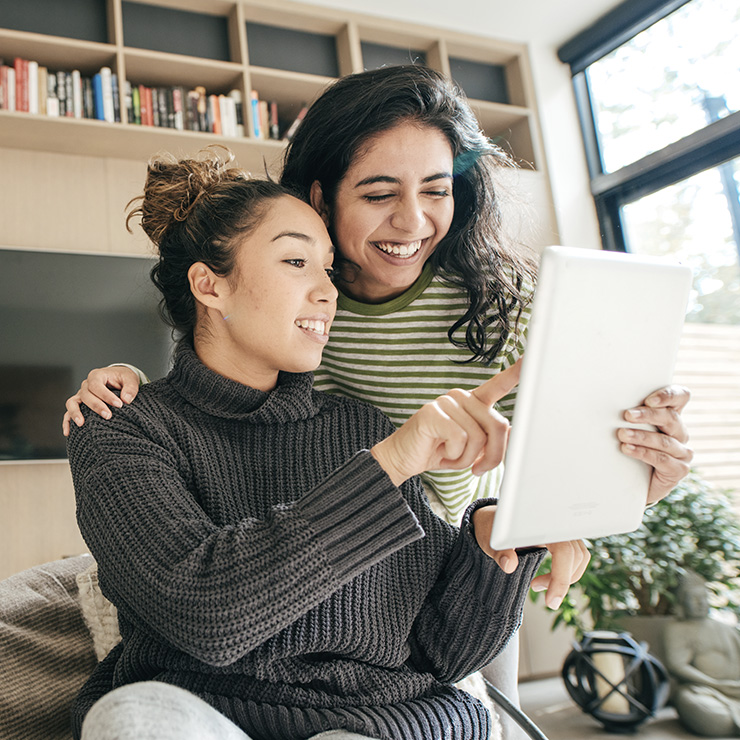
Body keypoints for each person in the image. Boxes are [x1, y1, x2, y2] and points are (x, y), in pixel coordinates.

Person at [62, 65, 693, 736]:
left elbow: (443, 644)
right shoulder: (153, 416)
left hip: (411, 643)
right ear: (322, 193)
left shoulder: (498, 317)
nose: (412, 221)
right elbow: (211, 393)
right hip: (225, 677)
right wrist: (126, 381)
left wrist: (592, 493)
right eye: (300, 261)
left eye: (436, 190)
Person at [664, 571, 740, 737]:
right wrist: (715, 684)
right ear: (682, 602)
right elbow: (676, 665)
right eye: (694, 599)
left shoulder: (725, 628)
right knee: (715, 717)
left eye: (704, 597)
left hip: (735, 688)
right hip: (702, 690)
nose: (701, 603)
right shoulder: (677, 629)